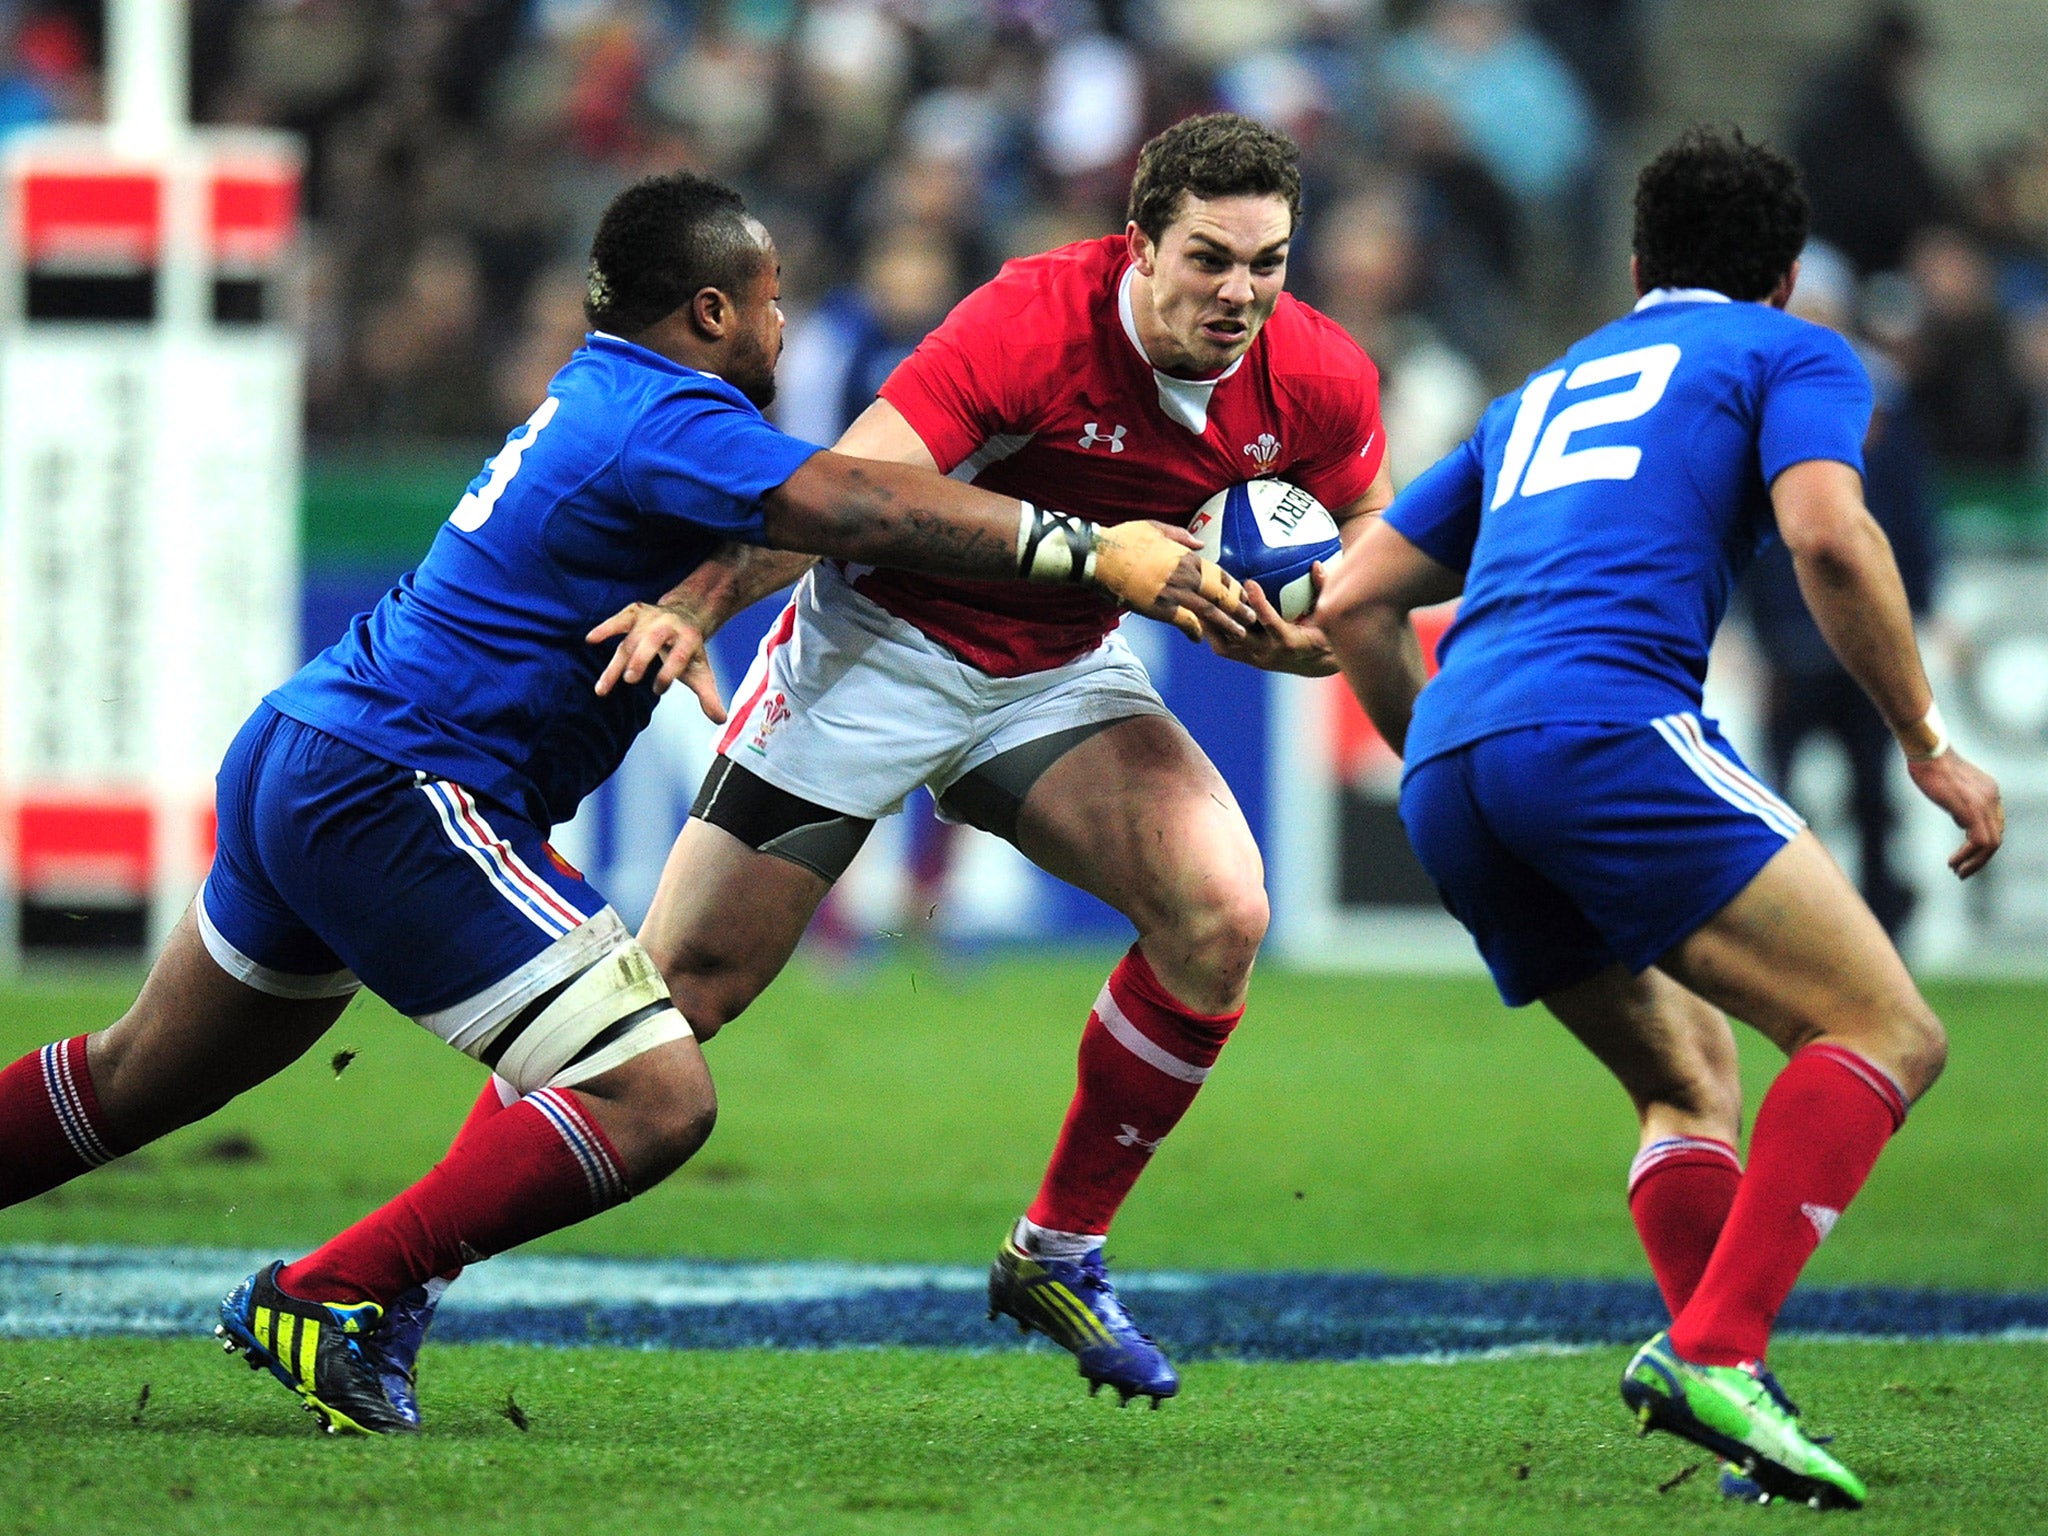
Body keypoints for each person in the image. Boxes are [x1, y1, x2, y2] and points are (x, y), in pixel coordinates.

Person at [0, 170, 1242, 1436]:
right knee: (652, 1094)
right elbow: (854, 503)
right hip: (399, 787)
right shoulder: (671, 414)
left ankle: (341, 1293)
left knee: (135, 1077)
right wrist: (1092, 548)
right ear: (710, 311)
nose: (781, 327)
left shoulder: (601, 396)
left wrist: (698, 602)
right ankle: (331, 1299)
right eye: (770, 303)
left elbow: (800, 519)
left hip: (309, 748)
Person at [426, 112, 1391, 1409]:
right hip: (876, 650)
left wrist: (1326, 625)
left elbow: (1367, 536)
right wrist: (699, 605)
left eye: (1268, 263)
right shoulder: (1028, 323)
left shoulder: (1319, 375)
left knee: (1221, 910)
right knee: (670, 1005)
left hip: (1060, 675)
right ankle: (399, 1274)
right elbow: (841, 492)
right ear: (1140, 244)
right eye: (1211, 259)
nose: (1241, 293)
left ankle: (1058, 1253)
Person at [1318, 128, 2001, 1508]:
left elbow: (1350, 598)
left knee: (1686, 1082)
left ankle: (1726, 1390)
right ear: (1788, 276)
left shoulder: (1540, 392)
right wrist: (1928, 741)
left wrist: (1456, 749)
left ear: (1635, 264)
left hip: (1454, 761)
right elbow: (1828, 535)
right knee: (1884, 1031)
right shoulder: (1789, 350)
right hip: (1604, 723)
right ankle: (1718, 1350)